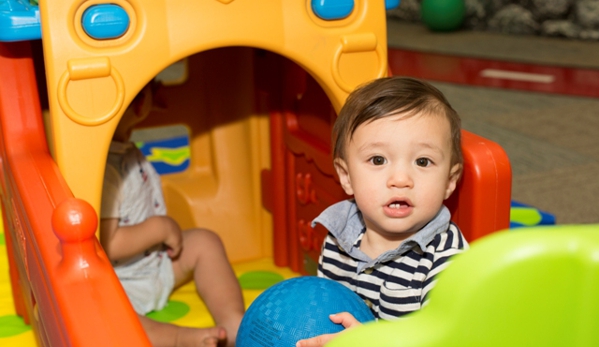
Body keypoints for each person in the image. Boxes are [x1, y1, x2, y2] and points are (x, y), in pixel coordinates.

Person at [296, 77, 469, 347]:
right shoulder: (337, 238)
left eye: (422, 161)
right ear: (346, 177)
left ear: (449, 180)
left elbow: (449, 339)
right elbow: (326, 311)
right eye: (378, 160)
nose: (400, 179)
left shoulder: (448, 261)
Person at [100, 82, 245, 347]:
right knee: (105, 315)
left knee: (204, 242)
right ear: (141, 104)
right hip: (120, 285)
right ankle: (180, 338)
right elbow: (109, 243)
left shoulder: (123, 148)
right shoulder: (105, 170)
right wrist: (160, 228)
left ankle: (233, 321)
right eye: (151, 89)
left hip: (155, 264)